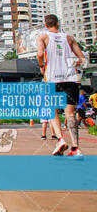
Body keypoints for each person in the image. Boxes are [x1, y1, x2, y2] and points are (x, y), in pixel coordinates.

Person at [36, 14, 85, 158]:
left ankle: (61, 140)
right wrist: (74, 63)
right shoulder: (69, 38)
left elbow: (40, 54)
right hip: (70, 79)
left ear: (46, 25)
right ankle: (76, 148)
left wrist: (41, 66)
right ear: (58, 24)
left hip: (52, 79)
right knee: (70, 114)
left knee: (53, 112)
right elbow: (82, 58)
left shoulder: (43, 37)